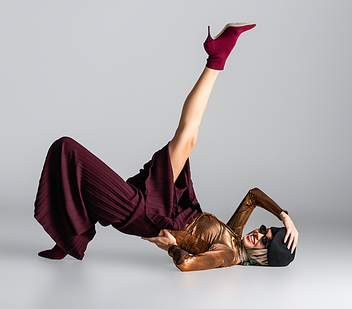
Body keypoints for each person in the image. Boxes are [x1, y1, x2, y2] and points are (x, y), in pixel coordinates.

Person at [34, 23, 298, 271]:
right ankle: (217, 58)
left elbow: (187, 264)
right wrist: (284, 217)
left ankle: (217, 59)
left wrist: (171, 247)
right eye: (265, 230)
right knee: (186, 136)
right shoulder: (236, 237)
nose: (259, 234)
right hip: (177, 206)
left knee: (66, 148)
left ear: (264, 258)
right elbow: (252, 195)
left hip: (150, 217)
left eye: (265, 241)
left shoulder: (228, 254)